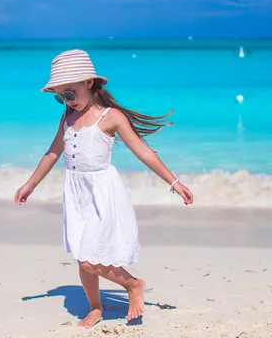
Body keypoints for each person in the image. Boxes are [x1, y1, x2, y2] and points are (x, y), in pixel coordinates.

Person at [14, 49, 193, 328]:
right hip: (76, 193)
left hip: (102, 191)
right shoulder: (66, 119)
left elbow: (143, 152)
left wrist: (174, 182)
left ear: (88, 83)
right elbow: (52, 153)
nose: (67, 101)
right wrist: (30, 184)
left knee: (89, 259)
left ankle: (134, 285)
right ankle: (95, 307)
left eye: (70, 93)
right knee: (81, 255)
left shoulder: (111, 117)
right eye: (60, 96)